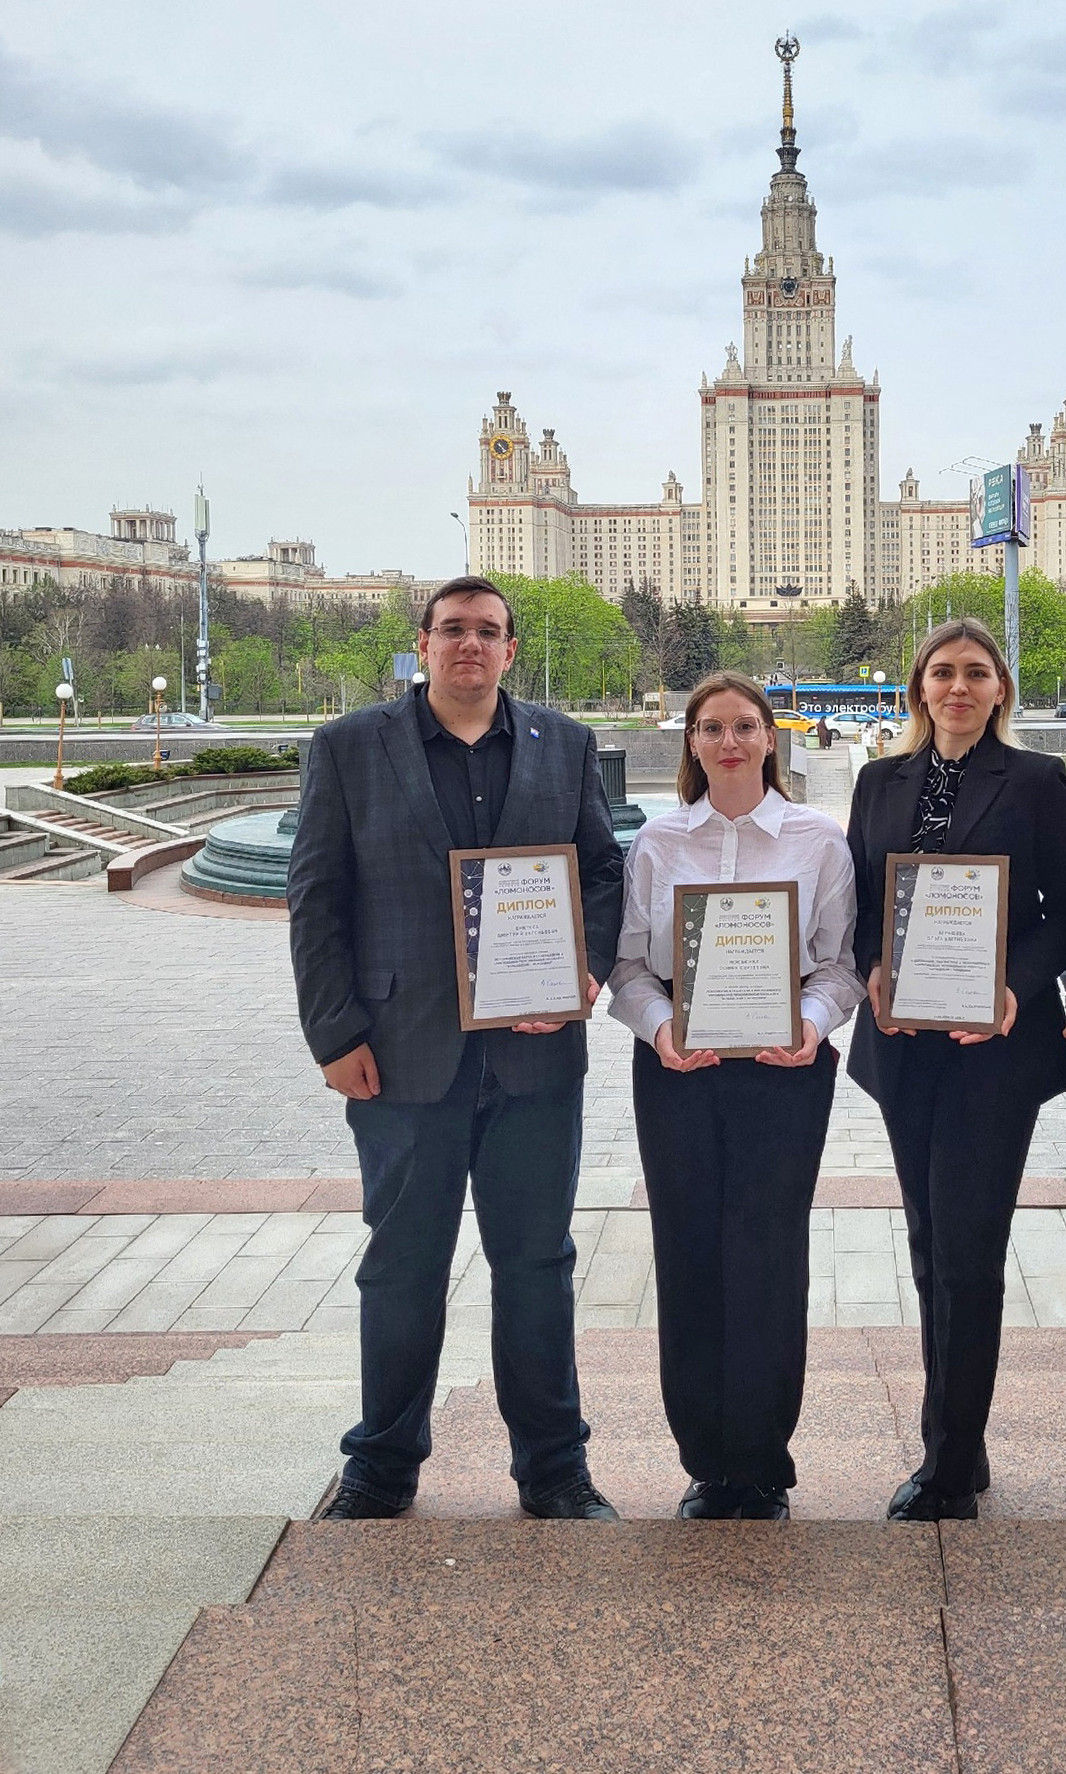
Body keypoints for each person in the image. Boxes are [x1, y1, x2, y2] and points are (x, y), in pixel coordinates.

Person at [288, 576, 626, 1522]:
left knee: (536, 1265)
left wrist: (585, 971)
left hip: (535, 1059)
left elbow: (603, 870)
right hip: (398, 1056)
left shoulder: (564, 744)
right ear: (423, 644)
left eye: (487, 631)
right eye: (452, 630)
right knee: (401, 1265)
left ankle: (554, 1469)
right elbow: (316, 898)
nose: (469, 644)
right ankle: (382, 1466)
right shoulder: (349, 747)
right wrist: (335, 1031)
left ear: (510, 648)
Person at [847, 619, 1066, 1522]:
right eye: (942, 672)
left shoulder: (1033, 781)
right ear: (919, 687)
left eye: (975, 673)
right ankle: (960, 1440)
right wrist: (874, 961)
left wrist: (1013, 989)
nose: (957, 686)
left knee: (968, 1251)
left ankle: (947, 1470)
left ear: (999, 691)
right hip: (903, 1043)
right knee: (927, 1243)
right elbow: (866, 900)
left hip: (995, 1051)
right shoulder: (879, 781)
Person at [608, 673, 863, 1520]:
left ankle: (758, 1462)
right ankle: (705, 1462)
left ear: (769, 738)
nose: (729, 741)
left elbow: (839, 964)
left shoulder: (817, 839)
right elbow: (630, 968)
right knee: (686, 1253)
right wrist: (656, 1028)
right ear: (691, 740)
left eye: (744, 726)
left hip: (783, 1067)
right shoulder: (656, 841)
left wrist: (813, 1021)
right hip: (679, 1065)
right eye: (711, 727)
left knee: (765, 1254)